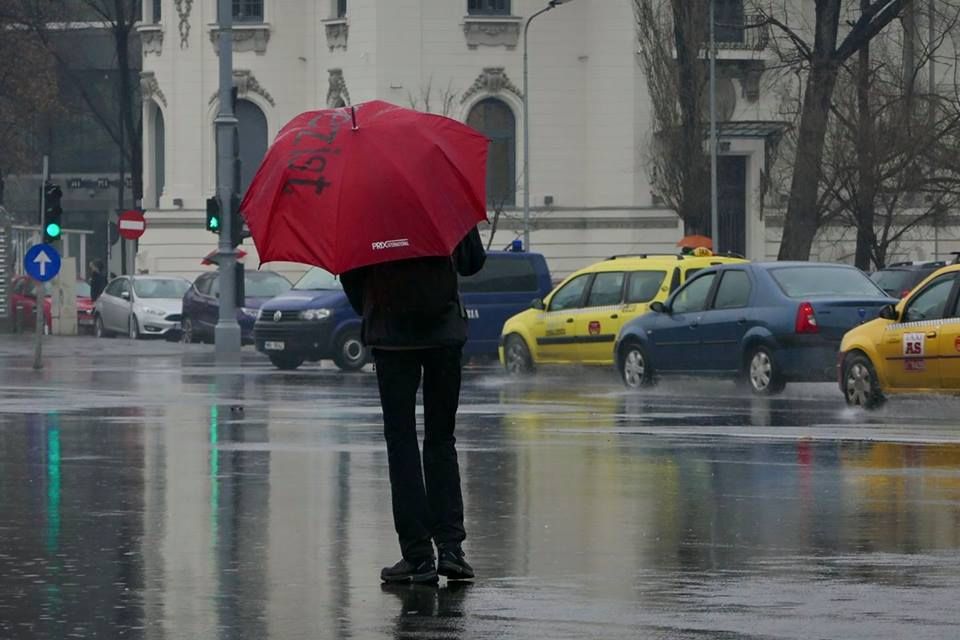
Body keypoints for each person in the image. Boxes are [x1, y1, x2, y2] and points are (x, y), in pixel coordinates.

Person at [341, 226, 486, 584]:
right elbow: (472, 263)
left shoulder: (364, 209)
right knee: (441, 439)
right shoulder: (441, 196)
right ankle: (451, 550)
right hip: (443, 336)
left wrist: (376, 306)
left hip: (392, 341)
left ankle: (418, 555)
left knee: (401, 443)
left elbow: (351, 277)